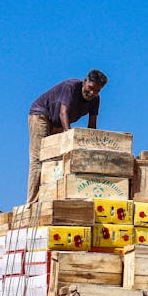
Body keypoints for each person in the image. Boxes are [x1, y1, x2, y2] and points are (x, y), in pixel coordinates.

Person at [27, 69, 108, 202]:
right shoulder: (71, 87)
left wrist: (92, 148)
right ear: (85, 81)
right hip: (41, 115)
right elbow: (63, 113)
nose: (92, 93)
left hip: (58, 123)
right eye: (91, 88)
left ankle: (52, 198)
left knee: (58, 159)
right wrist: (69, 137)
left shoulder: (95, 100)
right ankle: (32, 203)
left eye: (97, 90)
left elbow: (92, 126)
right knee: (39, 159)